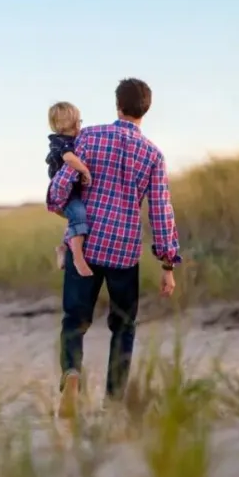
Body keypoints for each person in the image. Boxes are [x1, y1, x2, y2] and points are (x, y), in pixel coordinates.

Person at [47, 78, 181, 419]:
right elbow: (161, 211)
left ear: (117, 104)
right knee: (123, 326)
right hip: (124, 252)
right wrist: (167, 264)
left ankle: (72, 376)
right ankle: (115, 400)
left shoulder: (89, 136)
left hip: (88, 245)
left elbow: (60, 187)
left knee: (74, 322)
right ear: (145, 110)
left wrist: (60, 201)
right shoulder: (153, 154)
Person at [45, 102, 94, 277]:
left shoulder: (75, 140)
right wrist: (84, 169)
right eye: (77, 122)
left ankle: (63, 249)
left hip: (74, 190)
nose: (80, 125)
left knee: (76, 219)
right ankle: (78, 259)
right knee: (79, 215)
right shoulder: (60, 142)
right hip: (65, 194)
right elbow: (69, 159)